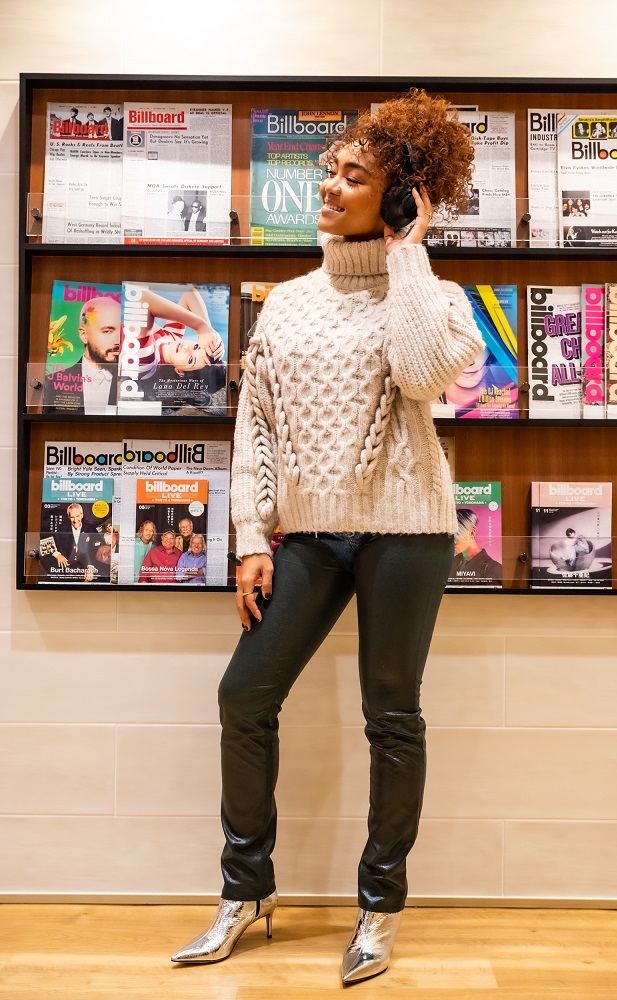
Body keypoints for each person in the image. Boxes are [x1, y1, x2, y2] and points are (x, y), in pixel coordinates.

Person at [171, 88, 484, 984]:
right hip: (309, 534)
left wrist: (408, 252)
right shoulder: (287, 304)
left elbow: (421, 376)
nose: (329, 185)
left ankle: (380, 905)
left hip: (405, 530)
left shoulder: (437, 298)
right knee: (245, 696)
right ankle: (245, 890)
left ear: (398, 195)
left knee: (391, 714)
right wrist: (251, 537)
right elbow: (257, 427)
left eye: (354, 175)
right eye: (329, 169)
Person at [42, 296, 120, 414]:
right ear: (84, 335)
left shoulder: (135, 384)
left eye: (122, 332)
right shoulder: (53, 382)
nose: (118, 340)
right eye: (107, 331)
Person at [450, 508, 502, 584]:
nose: (451, 544)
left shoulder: (493, 569)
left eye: (456, 539)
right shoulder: (451, 562)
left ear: (471, 533)